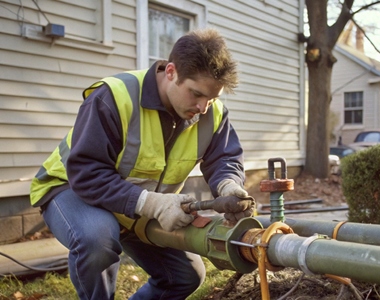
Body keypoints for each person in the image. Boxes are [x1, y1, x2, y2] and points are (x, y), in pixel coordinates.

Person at [30, 28, 254, 300]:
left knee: (186, 276)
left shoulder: (212, 113)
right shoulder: (113, 97)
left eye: (212, 98)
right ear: (171, 72)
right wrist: (153, 204)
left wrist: (229, 185)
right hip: (73, 190)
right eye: (196, 94)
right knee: (97, 239)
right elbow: (87, 173)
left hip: (136, 202)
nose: (203, 107)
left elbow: (224, 157)